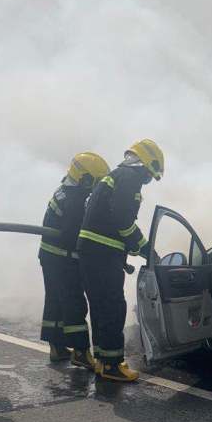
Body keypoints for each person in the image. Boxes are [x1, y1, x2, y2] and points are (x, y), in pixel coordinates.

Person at [77, 139, 164, 382]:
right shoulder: (129, 178)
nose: (147, 180)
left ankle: (103, 361)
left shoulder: (116, 176)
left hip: (93, 253)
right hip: (102, 254)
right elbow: (123, 220)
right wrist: (144, 248)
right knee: (113, 308)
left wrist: (128, 251)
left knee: (101, 307)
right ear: (146, 165)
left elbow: (110, 219)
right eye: (150, 174)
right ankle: (112, 365)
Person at [39, 152, 109, 367]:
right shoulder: (76, 200)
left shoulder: (65, 190)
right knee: (74, 304)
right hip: (64, 259)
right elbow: (75, 236)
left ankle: (57, 347)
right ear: (85, 178)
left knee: (55, 302)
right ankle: (80, 351)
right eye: (95, 183)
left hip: (50, 256)